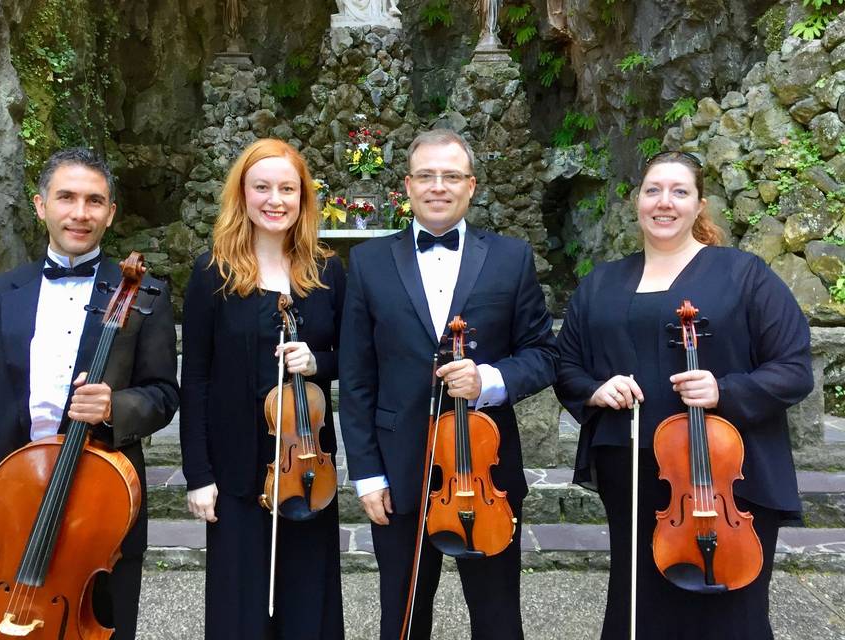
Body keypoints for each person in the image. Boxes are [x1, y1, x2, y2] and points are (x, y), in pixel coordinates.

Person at [554, 151, 813, 639]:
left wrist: (725, 388)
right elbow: (565, 365)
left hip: (724, 471)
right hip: (634, 472)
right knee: (639, 606)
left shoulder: (744, 274)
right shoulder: (601, 283)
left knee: (729, 613)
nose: (663, 202)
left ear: (700, 205)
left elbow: (794, 369)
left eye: (679, 191)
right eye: (653, 190)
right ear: (637, 202)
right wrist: (595, 389)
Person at [0, 147, 180, 639]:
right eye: (66, 197)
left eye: (94, 200)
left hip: (101, 508)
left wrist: (115, 406)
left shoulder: (146, 294)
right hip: (9, 501)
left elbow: (163, 394)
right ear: (42, 205)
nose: (79, 213)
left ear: (111, 213)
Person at [339, 129, 558, 640]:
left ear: (471, 185)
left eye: (452, 176)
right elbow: (356, 376)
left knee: (497, 612)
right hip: (398, 468)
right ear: (408, 185)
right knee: (404, 611)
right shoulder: (369, 263)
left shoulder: (511, 256)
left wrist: (489, 379)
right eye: (427, 176)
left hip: (486, 474)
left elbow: (544, 354)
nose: (439, 186)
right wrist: (367, 473)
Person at [180, 138, 345, 639]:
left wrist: (317, 361)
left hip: (306, 465)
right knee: (241, 604)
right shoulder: (213, 272)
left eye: (288, 189)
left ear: (303, 198)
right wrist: (197, 473)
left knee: (305, 600)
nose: (275, 200)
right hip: (235, 468)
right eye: (262, 188)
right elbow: (197, 380)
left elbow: (352, 360)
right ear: (243, 195)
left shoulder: (327, 271)